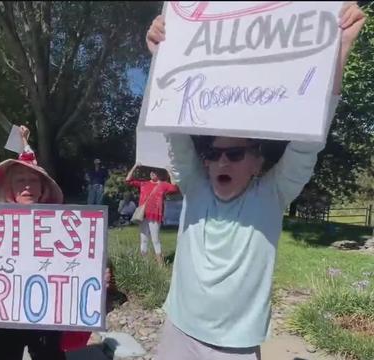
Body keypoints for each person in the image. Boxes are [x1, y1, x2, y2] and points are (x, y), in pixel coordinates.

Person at [145, 3, 364, 359]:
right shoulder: (196, 186)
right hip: (177, 332)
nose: (221, 161)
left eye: (234, 154)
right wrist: (163, 55)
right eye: (214, 154)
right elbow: (175, 132)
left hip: (236, 347)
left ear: (258, 161)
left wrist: (336, 53)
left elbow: (310, 141)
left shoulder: (273, 194)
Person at [0, 148, 66, 360]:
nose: (27, 185)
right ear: (10, 187)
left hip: (47, 311)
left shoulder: (64, 223)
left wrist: (103, 276)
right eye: (20, 180)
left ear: (42, 187)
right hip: (4, 314)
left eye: (33, 180)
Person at [125, 163, 178, 264]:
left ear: (160, 174)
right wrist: (135, 166)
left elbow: (174, 187)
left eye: (155, 172)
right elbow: (128, 180)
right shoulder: (144, 183)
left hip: (154, 215)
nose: (152, 173)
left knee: (155, 239)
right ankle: (144, 263)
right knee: (143, 239)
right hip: (143, 214)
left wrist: (170, 172)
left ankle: (160, 264)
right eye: (152, 171)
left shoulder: (163, 185)